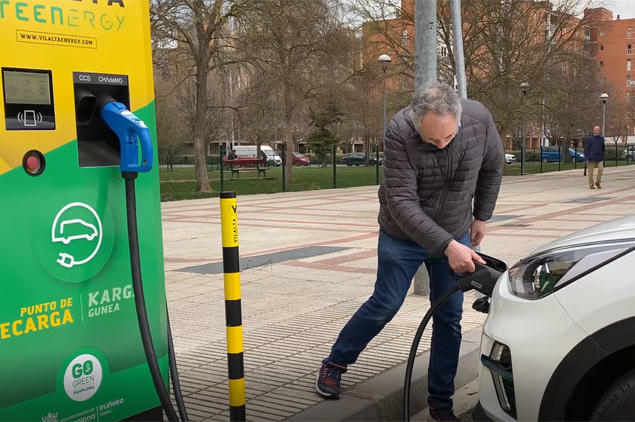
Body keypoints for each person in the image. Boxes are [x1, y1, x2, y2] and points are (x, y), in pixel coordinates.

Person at [315, 82, 504, 422]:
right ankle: (335, 363)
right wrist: (448, 246)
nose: (442, 145)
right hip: (402, 235)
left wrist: (482, 217)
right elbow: (401, 202)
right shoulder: (400, 131)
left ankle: (440, 403)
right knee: (385, 304)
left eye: (448, 137)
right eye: (433, 140)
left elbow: (492, 167)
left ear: (459, 118)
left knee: (449, 317)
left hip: (456, 229)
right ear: (417, 123)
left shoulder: (479, 118)